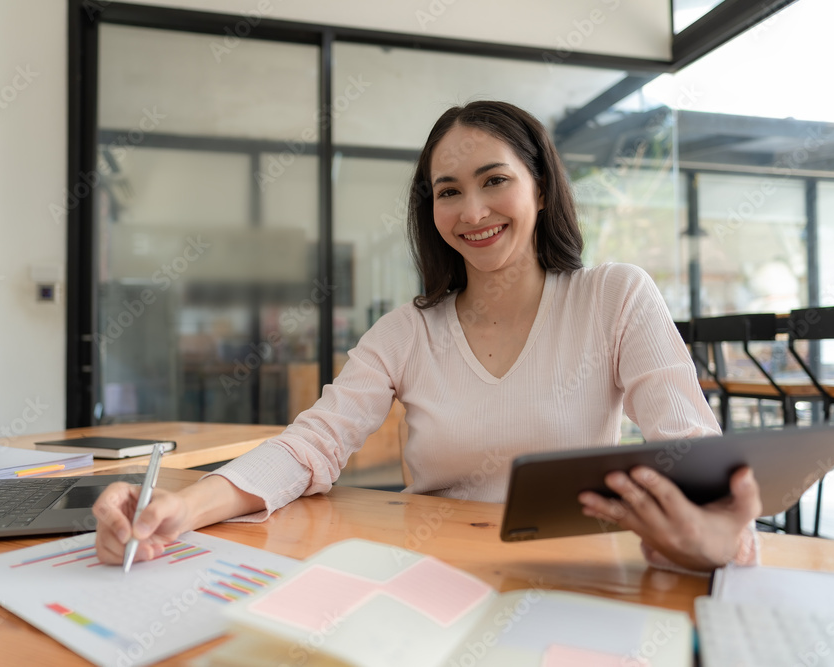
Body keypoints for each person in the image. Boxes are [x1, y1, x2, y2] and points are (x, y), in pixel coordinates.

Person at [93, 101, 762, 573]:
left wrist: (715, 527)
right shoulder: (406, 330)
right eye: (448, 191)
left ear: (540, 185)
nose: (472, 211)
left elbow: (692, 448)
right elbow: (313, 443)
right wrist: (178, 506)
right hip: (430, 576)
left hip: (575, 572)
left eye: (494, 180)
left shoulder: (614, 296)